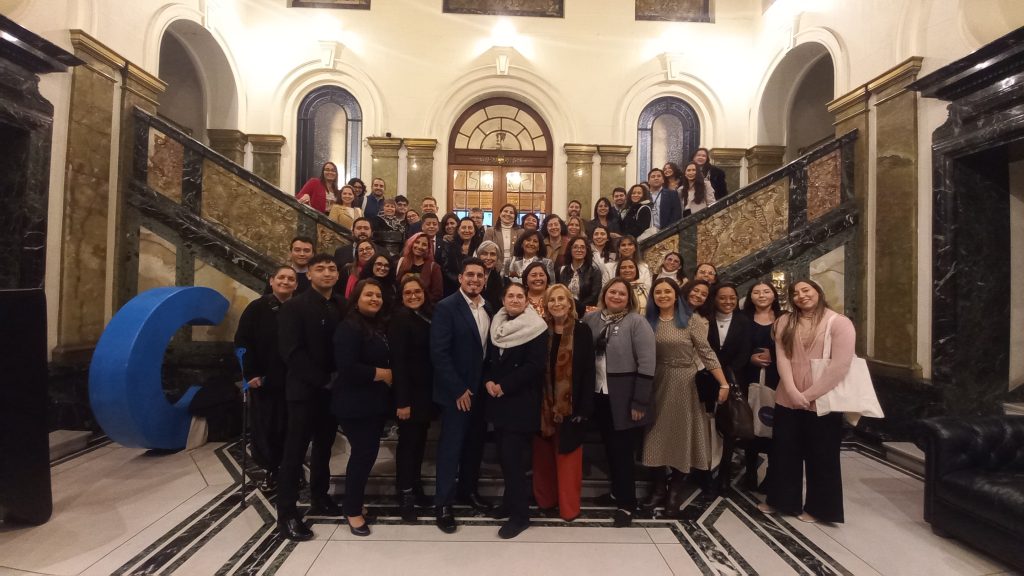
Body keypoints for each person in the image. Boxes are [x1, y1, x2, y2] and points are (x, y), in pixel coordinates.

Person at [758, 280, 853, 524]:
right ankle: (781, 501)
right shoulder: (784, 322)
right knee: (783, 452)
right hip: (787, 397)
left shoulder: (839, 322)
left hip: (823, 399)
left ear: (818, 292)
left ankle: (821, 509)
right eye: (795, 293)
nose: (801, 296)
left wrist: (809, 395)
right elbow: (782, 358)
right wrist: (791, 391)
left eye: (806, 290)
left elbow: (840, 366)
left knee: (822, 455)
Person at [641, 278, 729, 515]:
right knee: (655, 435)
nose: (662, 296)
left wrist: (723, 383)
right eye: (658, 292)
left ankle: (675, 491)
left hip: (684, 382)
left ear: (676, 295)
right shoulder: (647, 321)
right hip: (656, 381)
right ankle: (658, 488)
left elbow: (706, 352)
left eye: (667, 292)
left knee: (682, 435)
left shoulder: (690, 320)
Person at [275, 254, 344, 541]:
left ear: (338, 275)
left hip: (332, 391)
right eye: (320, 269)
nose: (327, 273)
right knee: (294, 453)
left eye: (332, 269)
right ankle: (287, 514)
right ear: (309, 274)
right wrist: (323, 380)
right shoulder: (294, 306)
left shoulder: (341, 304)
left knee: (324, 447)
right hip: (304, 391)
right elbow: (291, 352)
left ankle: (320, 496)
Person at [583, 279, 656, 527]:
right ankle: (616, 492)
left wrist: (640, 401)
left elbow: (647, 363)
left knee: (623, 452)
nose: (616, 296)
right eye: (612, 292)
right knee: (609, 448)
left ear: (629, 298)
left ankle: (627, 504)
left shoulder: (636, 322)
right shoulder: (591, 319)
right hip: (598, 395)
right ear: (604, 294)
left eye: (621, 293)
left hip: (625, 397)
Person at [431, 258, 493, 533]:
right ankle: (443, 503)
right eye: (470, 274)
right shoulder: (446, 307)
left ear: (485, 279)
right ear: (460, 278)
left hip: (480, 392)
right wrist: (457, 389)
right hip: (456, 393)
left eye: (480, 275)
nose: (474, 279)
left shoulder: (489, 307)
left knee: (474, 446)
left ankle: (468, 491)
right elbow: (439, 353)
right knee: (451, 448)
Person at [484, 282, 549, 539]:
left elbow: (534, 366)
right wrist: (488, 381)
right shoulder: (497, 325)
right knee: (505, 458)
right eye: (510, 295)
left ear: (527, 300)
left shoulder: (536, 327)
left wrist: (504, 386)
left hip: (521, 402)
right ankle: (510, 503)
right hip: (498, 402)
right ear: (503, 300)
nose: (514, 299)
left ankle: (520, 516)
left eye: (519, 296)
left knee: (513, 462)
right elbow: (490, 360)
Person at [331, 278, 391, 537]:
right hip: (354, 404)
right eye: (369, 295)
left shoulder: (374, 325)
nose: (375, 299)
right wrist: (381, 373)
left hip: (372, 403)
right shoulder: (348, 327)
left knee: (366, 455)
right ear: (356, 299)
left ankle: (354, 502)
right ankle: (352, 509)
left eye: (378, 295)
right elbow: (346, 366)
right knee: (362, 455)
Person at [533, 284, 595, 522]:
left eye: (561, 299)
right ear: (546, 305)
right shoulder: (539, 330)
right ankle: (545, 501)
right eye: (552, 300)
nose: (557, 303)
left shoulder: (582, 331)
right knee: (543, 458)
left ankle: (569, 508)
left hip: (572, 405)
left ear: (570, 303)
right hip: (543, 405)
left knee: (569, 459)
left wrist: (585, 408)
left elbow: (589, 371)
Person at [234, 265, 298, 493]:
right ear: (272, 281)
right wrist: (249, 374)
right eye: (281, 277)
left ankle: (291, 471)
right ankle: (271, 470)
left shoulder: (299, 307)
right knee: (267, 428)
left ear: (296, 284)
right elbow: (242, 342)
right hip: (264, 380)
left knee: (292, 428)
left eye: (291, 279)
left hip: (293, 379)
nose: (286, 281)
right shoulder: (256, 308)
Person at [389, 275, 435, 522]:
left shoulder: (426, 315)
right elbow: (398, 363)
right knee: (408, 445)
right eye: (408, 293)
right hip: (409, 394)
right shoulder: (400, 319)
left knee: (418, 443)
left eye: (417, 292)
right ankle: (405, 493)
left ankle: (415, 487)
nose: (413, 296)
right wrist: (402, 401)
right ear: (401, 297)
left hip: (425, 392)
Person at [706, 282, 753, 492]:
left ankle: (724, 475)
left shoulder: (744, 322)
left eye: (732, 298)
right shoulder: (705, 319)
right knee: (706, 426)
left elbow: (744, 352)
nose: (728, 301)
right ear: (714, 299)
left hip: (733, 380)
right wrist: (713, 372)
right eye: (722, 297)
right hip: (706, 378)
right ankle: (703, 472)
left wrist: (725, 376)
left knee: (729, 428)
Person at [740, 280, 783, 492]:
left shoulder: (784, 318)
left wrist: (773, 356)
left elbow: (793, 347)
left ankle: (772, 473)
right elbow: (736, 346)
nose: (762, 295)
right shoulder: (743, 319)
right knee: (751, 425)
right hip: (749, 376)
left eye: (766, 291)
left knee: (775, 425)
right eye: (756, 292)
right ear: (750, 297)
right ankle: (750, 471)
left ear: (774, 295)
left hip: (778, 377)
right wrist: (750, 358)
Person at [557, 236, 603, 316]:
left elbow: (594, 297)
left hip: (585, 312)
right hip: (563, 310)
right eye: (575, 247)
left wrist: (576, 307)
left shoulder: (594, 271)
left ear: (586, 250)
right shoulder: (561, 270)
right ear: (570, 250)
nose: (579, 250)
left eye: (582, 247)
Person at [395, 232, 443, 304]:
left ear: (428, 248)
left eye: (424, 244)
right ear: (411, 243)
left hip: (424, 308)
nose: (420, 246)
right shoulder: (400, 263)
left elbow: (437, 294)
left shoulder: (434, 267)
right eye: (417, 242)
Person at [441, 217, 482, 296]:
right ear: (458, 230)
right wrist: (462, 281)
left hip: (475, 287)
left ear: (474, 231)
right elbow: (446, 269)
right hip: (453, 288)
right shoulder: (449, 246)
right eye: (463, 227)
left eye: (470, 228)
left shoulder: (479, 247)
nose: (467, 230)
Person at [482, 203, 522, 277]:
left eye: (511, 212)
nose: (508, 214)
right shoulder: (490, 231)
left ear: (515, 217)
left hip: (515, 271)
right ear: (500, 214)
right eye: (505, 211)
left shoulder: (520, 232)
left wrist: (512, 269)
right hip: (494, 269)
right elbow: (485, 252)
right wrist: (500, 268)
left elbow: (522, 253)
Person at [475, 240, 505, 311]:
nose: (488, 258)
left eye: (492, 254)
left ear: (497, 258)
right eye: (484, 254)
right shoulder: (471, 276)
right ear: (478, 256)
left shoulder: (503, 280)